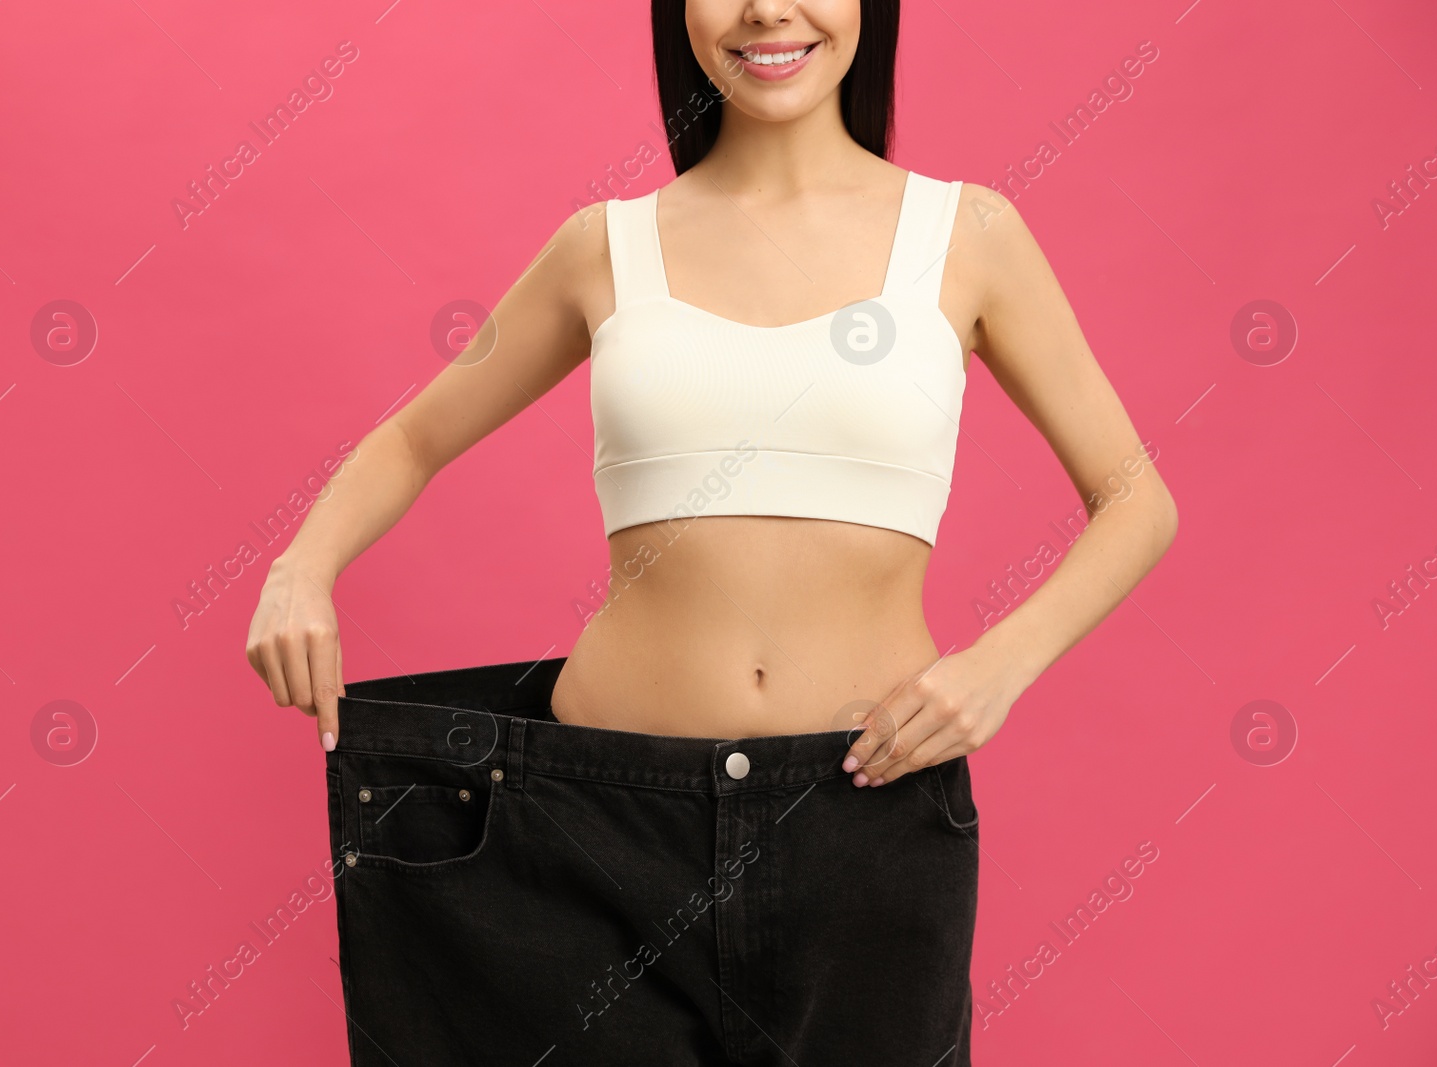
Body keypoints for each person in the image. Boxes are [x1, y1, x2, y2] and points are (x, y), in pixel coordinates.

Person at [245, 1, 1176, 1063]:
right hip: (588, 823)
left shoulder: (967, 235)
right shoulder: (605, 246)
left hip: (863, 818)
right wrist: (299, 567)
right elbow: (411, 439)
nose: (767, 8)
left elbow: (1135, 498)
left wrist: (998, 666)